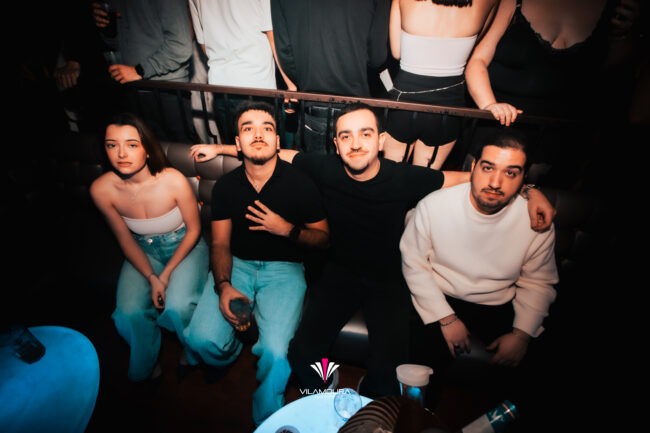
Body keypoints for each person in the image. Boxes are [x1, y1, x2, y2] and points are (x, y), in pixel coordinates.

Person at [189, 102, 556, 399]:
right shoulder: (324, 167)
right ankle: (326, 384)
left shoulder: (405, 176)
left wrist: (529, 189)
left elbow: (472, 178)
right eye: (345, 136)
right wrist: (223, 148)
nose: (355, 144)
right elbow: (274, 151)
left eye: (365, 134)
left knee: (389, 373)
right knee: (303, 354)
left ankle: (370, 396)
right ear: (336, 145)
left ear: (380, 141)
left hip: (389, 279)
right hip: (337, 273)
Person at [184, 101, 329, 425]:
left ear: (278, 140)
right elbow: (220, 243)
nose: (259, 134)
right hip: (238, 264)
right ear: (238, 143)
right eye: (248, 129)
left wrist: (287, 230)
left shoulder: (301, 183)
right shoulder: (226, 186)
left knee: (277, 354)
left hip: (285, 270)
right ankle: (231, 351)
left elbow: (323, 239)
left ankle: (267, 418)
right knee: (200, 340)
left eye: (267, 128)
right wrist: (223, 286)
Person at [399, 130, 558, 408]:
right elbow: (414, 264)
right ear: (473, 167)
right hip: (439, 296)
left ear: (524, 179)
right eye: (488, 168)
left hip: (497, 303)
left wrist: (521, 334)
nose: (495, 183)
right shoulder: (435, 205)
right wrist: (446, 318)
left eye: (511, 173)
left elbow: (538, 283)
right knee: (418, 378)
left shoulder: (535, 219)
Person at [89, 113, 208, 382]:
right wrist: (152, 277)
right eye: (112, 145)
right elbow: (125, 240)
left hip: (184, 245)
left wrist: (164, 276)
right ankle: (147, 364)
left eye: (131, 144)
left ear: (146, 148)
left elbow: (194, 230)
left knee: (178, 306)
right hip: (143, 251)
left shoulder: (173, 179)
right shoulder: (101, 189)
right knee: (126, 314)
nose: (121, 153)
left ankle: (190, 352)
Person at [383, 0, 498, 169]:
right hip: (448, 105)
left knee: (390, 174)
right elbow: (473, 49)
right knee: (425, 180)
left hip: (404, 99)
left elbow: (396, 51)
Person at [271, 0, 391, 153]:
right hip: (356, 104)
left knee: (313, 167)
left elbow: (285, 53)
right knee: (356, 168)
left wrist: (307, 77)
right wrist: (354, 61)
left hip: (312, 102)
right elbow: (377, 57)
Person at [188, 0, 295, 144]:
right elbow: (271, 35)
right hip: (257, 83)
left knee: (234, 147)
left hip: (220, 84)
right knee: (267, 149)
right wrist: (290, 84)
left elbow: (203, 44)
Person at [91, 0, 196, 143]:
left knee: (178, 151)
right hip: (131, 87)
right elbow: (119, 44)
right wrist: (108, 30)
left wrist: (139, 70)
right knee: (144, 150)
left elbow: (181, 46)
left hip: (166, 89)